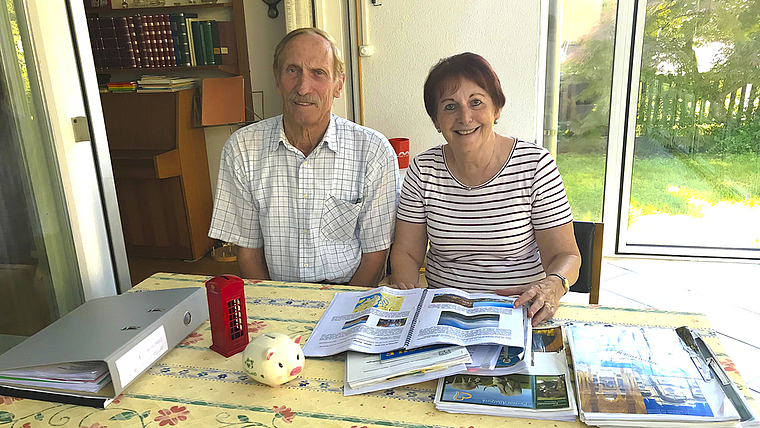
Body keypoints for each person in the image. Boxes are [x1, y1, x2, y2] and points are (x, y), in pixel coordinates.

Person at [388, 52, 580, 326]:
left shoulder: (535, 165)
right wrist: (409, 296)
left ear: (497, 109)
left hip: (520, 312)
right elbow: (407, 252)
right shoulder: (423, 169)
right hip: (443, 316)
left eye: (476, 102)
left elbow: (566, 255)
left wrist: (552, 285)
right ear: (436, 120)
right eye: (450, 106)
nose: (465, 117)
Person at [209, 28, 399, 286]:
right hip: (276, 291)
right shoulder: (242, 148)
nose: (303, 87)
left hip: (348, 293)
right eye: (292, 71)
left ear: (338, 85)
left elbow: (376, 254)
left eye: (318, 73)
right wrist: (273, 307)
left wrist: (343, 312)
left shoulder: (373, 151)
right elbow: (248, 251)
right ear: (277, 80)